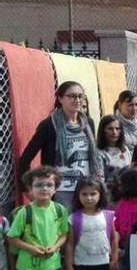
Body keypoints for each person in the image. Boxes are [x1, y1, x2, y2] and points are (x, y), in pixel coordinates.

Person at [19, 81, 103, 209]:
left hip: (86, 190)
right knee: (64, 228)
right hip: (61, 191)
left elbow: (93, 155)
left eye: (80, 96)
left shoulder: (88, 123)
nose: (77, 100)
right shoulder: (48, 125)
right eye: (72, 96)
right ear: (60, 98)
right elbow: (26, 158)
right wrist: (28, 189)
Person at [7, 166, 69, 270]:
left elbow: (64, 234)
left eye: (49, 185)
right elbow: (12, 238)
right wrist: (30, 249)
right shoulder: (24, 212)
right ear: (30, 190)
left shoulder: (59, 210)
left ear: (55, 188)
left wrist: (55, 246)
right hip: (28, 268)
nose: (44, 189)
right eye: (39, 185)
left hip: (53, 266)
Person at [96, 115, 132, 201]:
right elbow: (100, 179)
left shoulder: (125, 149)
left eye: (117, 128)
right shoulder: (99, 152)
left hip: (127, 195)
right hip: (109, 196)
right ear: (103, 130)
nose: (114, 132)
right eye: (110, 129)